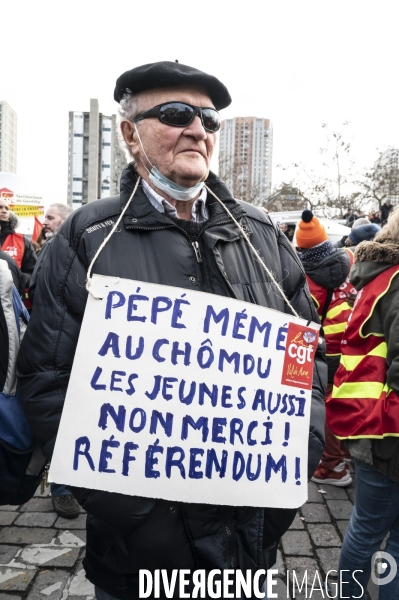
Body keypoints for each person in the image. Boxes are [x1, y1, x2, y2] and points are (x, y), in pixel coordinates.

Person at [17, 61, 326, 600]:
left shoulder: (259, 234)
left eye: (209, 120)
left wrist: (294, 461)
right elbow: (48, 381)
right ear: (130, 133)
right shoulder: (88, 237)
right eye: (177, 114)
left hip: (248, 542)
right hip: (138, 554)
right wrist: (139, 516)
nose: (197, 130)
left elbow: (306, 361)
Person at [326, 205, 399, 598]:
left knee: (367, 529)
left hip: (368, 421)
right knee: (374, 533)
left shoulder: (378, 277)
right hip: (388, 432)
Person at [294, 210, 353, 486]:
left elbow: (303, 322)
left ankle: (332, 467)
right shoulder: (348, 262)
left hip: (326, 352)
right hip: (352, 346)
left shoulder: (307, 282)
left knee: (326, 408)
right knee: (342, 401)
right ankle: (342, 454)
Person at [29, 202, 77, 517]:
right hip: (52, 343)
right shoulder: (48, 250)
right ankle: (61, 488)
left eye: (50, 217)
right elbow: (34, 285)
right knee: (60, 417)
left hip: (74, 344)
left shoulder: (79, 248)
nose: (45, 222)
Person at [0, 199, 36, 286]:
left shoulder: (21, 240)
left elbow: (34, 273)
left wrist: (18, 278)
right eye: (0, 207)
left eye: (6, 208)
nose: (4, 211)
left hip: (11, 295)